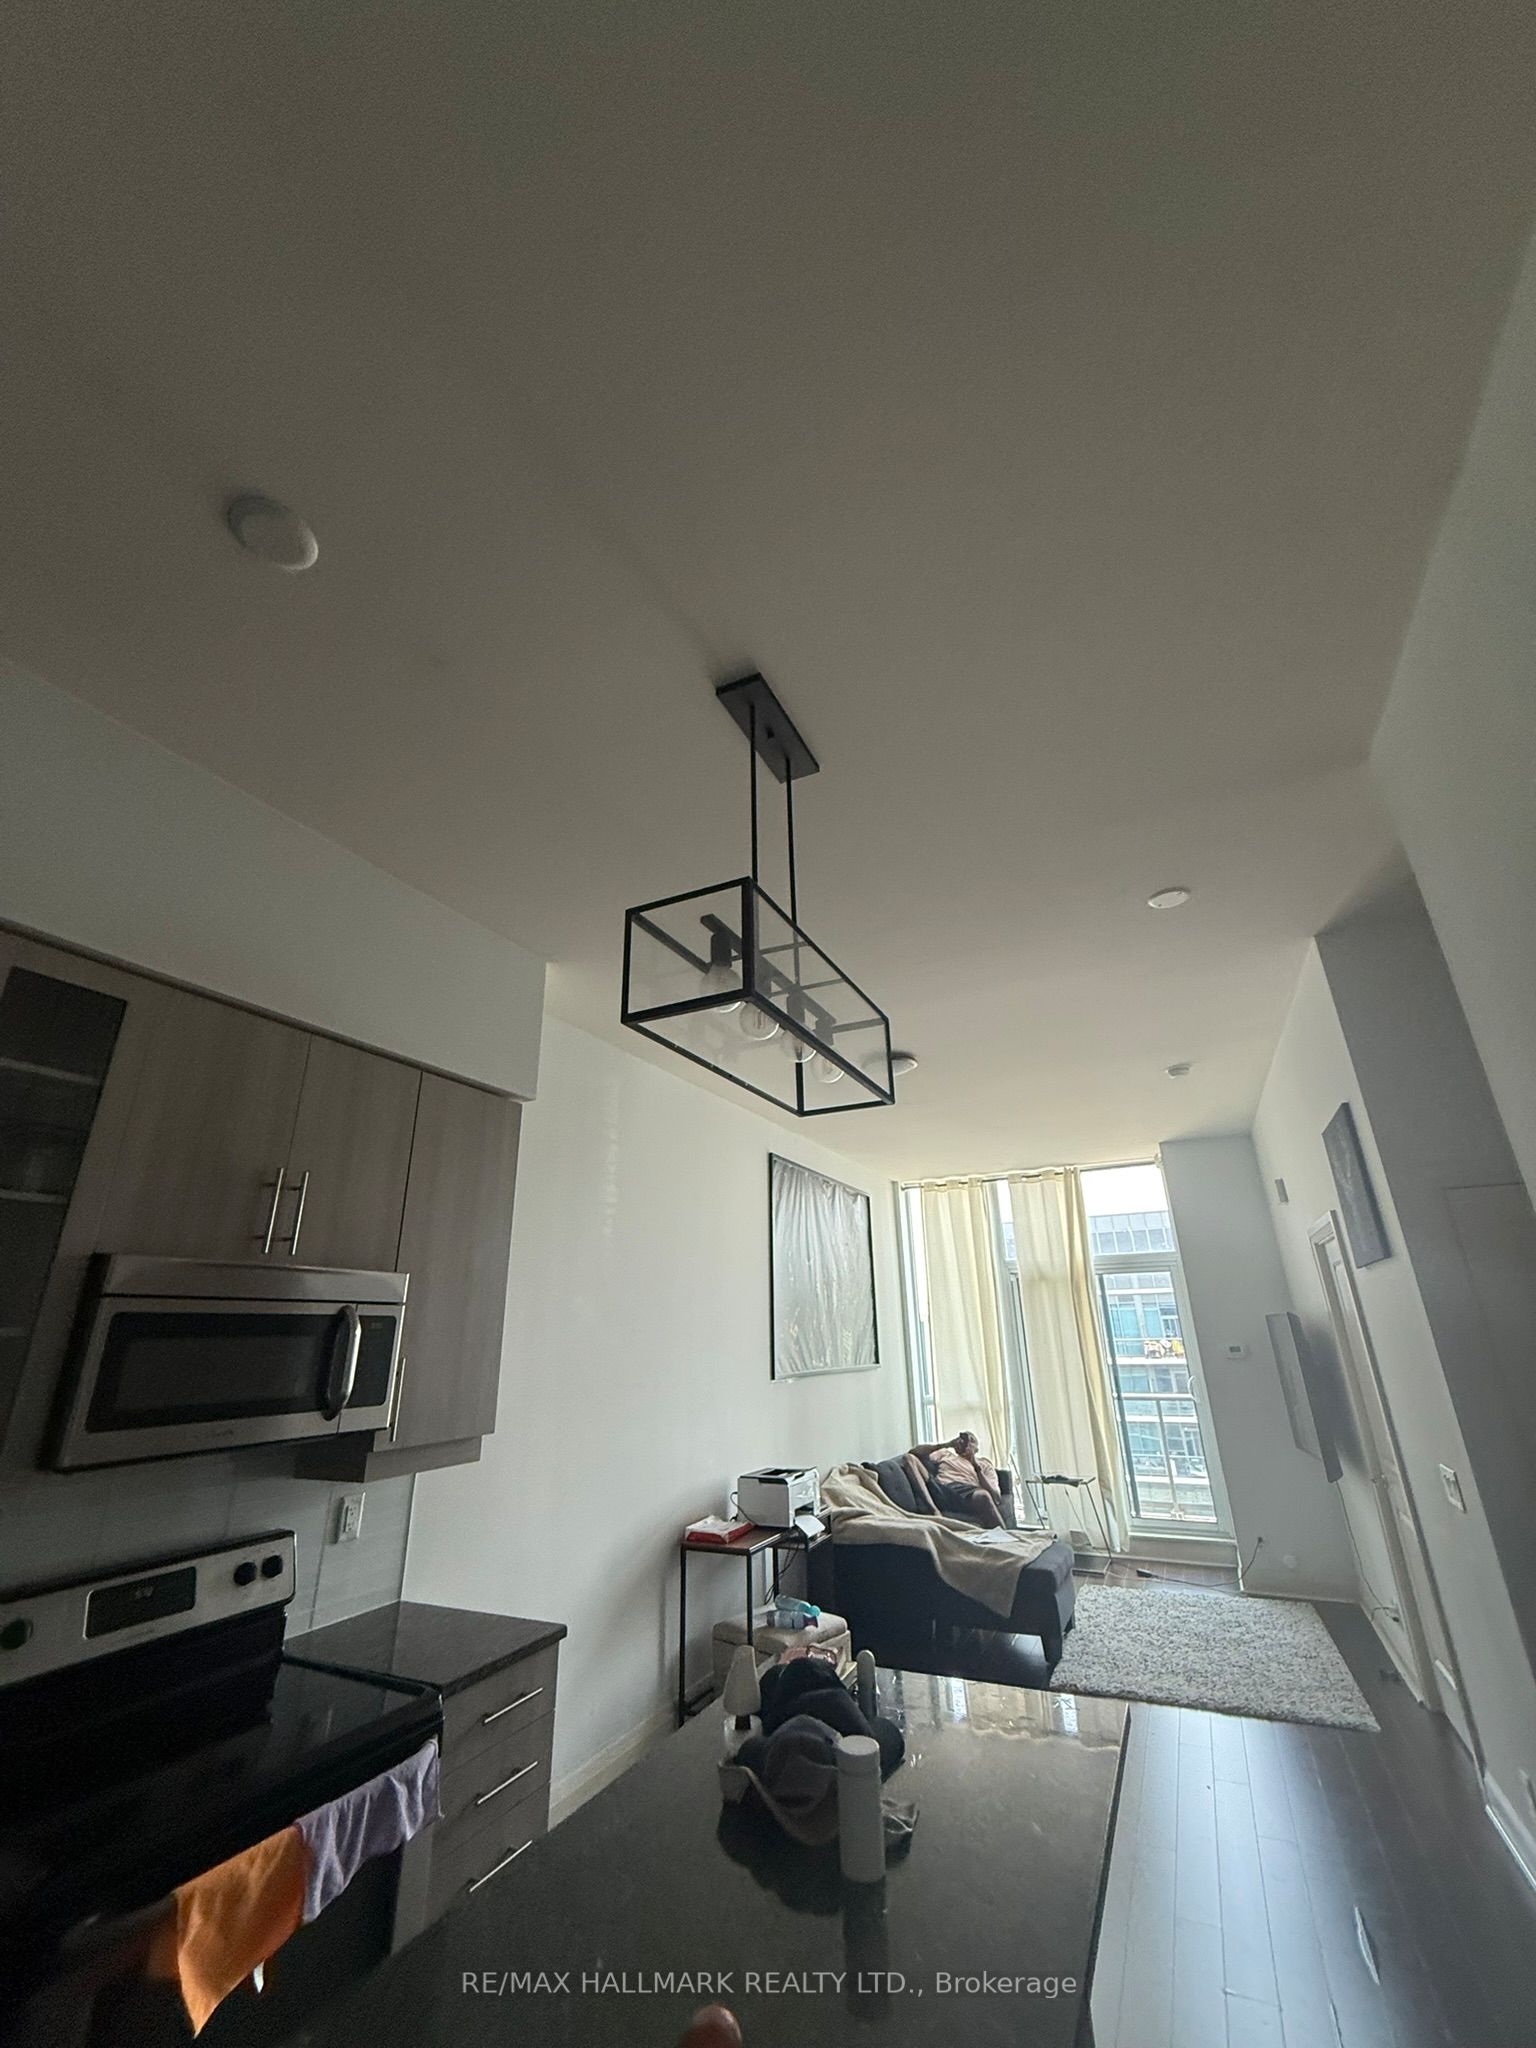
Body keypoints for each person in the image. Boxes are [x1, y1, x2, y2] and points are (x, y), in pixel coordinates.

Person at [912, 1431, 1005, 1528]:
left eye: (971, 1441)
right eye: (963, 1439)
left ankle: (1004, 1534)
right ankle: (934, 1510)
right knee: (909, 1458)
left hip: (966, 1494)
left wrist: (974, 1464)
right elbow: (914, 1452)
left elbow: (996, 1497)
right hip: (942, 1488)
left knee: (983, 1495)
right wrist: (947, 1444)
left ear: (976, 1449)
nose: (966, 1443)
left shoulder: (984, 1464)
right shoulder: (945, 1454)